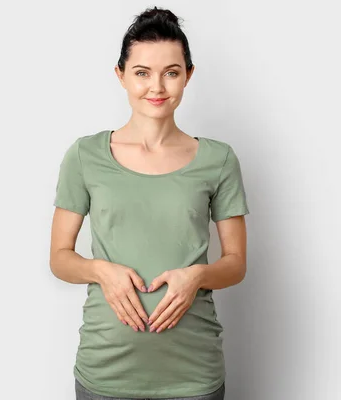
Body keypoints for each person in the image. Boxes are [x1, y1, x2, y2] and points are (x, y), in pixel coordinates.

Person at [49, 6, 250, 400]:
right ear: (120, 74)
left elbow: (236, 264)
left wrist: (196, 276)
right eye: (142, 72)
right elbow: (59, 257)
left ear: (188, 75)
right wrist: (100, 270)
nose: (156, 87)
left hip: (193, 374)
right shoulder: (85, 156)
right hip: (105, 372)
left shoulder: (218, 160)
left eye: (171, 72)